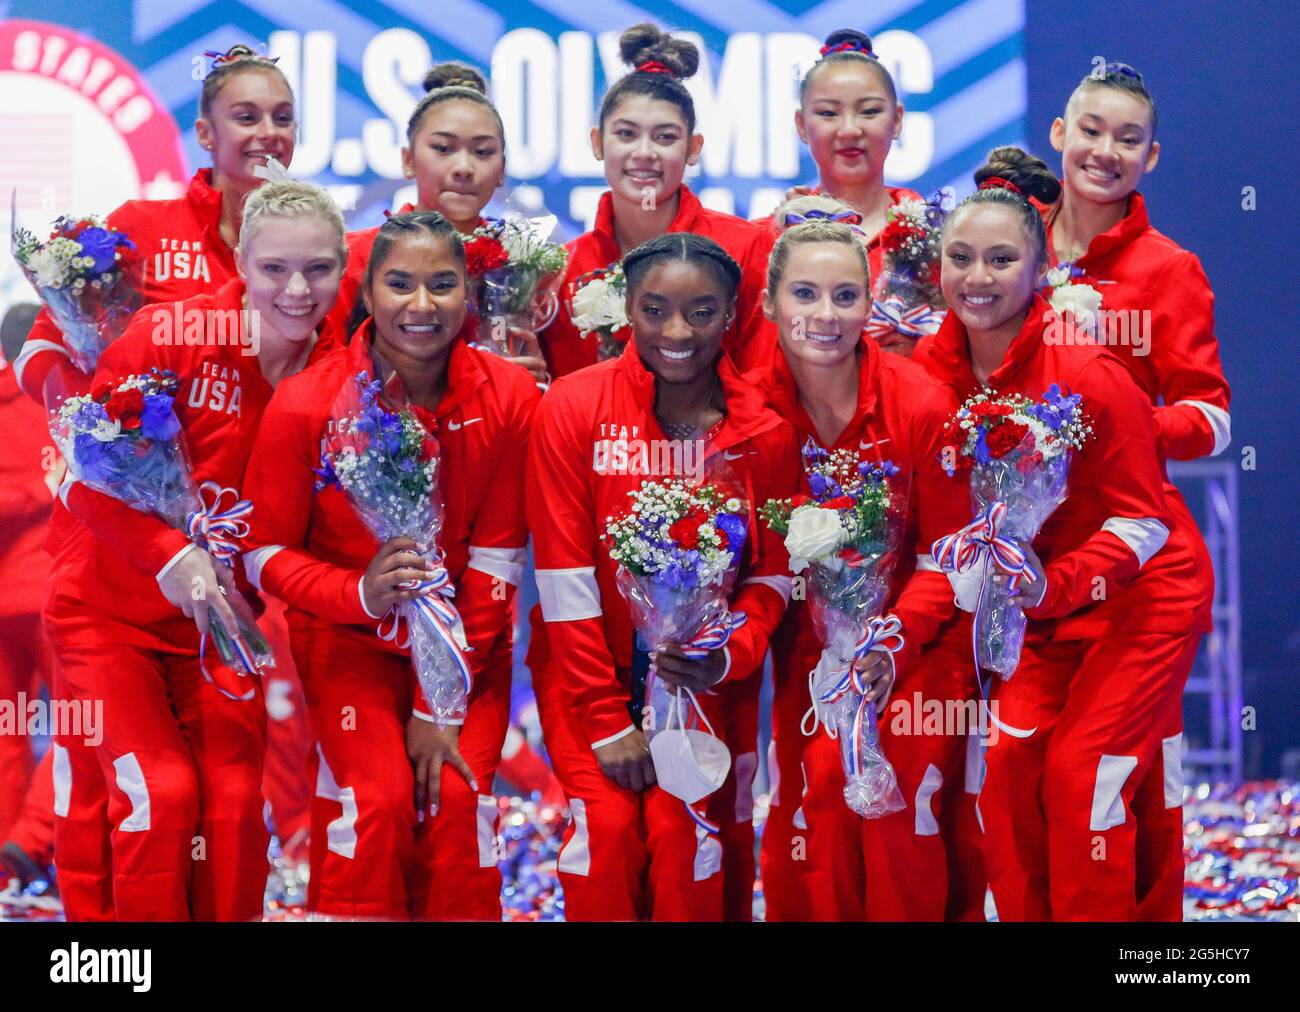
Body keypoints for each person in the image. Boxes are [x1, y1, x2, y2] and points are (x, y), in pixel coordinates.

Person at [10, 43, 303, 922]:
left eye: (283, 116)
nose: (267, 133)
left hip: (231, 574)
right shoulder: (143, 223)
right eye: (246, 117)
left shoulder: (305, 246)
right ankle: (105, 964)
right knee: (120, 793)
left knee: (223, 804)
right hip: (114, 554)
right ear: (204, 131)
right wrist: (103, 439)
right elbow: (44, 351)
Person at [49, 179, 347, 921]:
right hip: (106, 620)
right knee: (162, 792)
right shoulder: (168, 337)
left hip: (221, 637)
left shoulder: (344, 369)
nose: (297, 289)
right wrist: (164, 553)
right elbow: (75, 481)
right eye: (275, 268)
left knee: (237, 810)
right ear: (241, 261)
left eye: (319, 269)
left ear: (345, 269)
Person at [240, 211, 537, 920]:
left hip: (471, 652)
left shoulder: (509, 397)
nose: (421, 304)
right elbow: (260, 553)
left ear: (470, 294)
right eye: (399, 284)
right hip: (347, 645)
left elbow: (500, 557)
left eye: (442, 284)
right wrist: (360, 593)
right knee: (374, 804)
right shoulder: (309, 400)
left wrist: (441, 704)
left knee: (462, 810)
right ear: (366, 294)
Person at [913, 148, 1175, 921]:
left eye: (1002, 258)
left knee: (1081, 775)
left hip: (1138, 599)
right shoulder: (931, 373)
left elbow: (1144, 518)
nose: (979, 277)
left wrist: (1051, 584)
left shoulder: (1088, 370)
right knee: (1004, 770)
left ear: (1040, 269)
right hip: (1038, 614)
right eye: (961, 258)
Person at [526, 233, 800, 920]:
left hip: (704, 685)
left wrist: (725, 656)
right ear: (627, 309)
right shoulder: (574, 406)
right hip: (587, 683)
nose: (677, 332)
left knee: (687, 850)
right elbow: (562, 573)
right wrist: (602, 718)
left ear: (734, 314)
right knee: (611, 838)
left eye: (701, 311)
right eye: (655, 309)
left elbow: (771, 578)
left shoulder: (765, 430)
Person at [754, 206, 985, 921]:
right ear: (768, 303)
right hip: (805, 649)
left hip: (919, 649)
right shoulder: (746, 408)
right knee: (815, 799)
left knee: (896, 811)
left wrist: (891, 641)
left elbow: (951, 555)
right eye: (805, 295)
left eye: (845, 296)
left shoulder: (920, 402)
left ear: (870, 301)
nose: (826, 315)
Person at [1039, 64, 1227, 921]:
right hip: (1038, 570)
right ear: (1059, 135)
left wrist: (1126, 426)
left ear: (1152, 157)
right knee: (1036, 770)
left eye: (1127, 140)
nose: (1104, 151)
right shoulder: (1008, 245)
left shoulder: (1167, 268)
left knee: (1112, 774)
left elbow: (1213, 419)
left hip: (1142, 560)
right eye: (1091, 130)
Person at [539, 23, 771, 378]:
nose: (644, 153)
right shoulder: (562, 269)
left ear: (693, 149)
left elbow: (763, 377)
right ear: (598, 142)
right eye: (626, 134)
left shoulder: (745, 247)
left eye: (665, 137)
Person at [325, 62, 549, 387]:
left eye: (483, 152)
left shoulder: (525, 265)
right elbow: (325, 372)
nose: (463, 168)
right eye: (443, 149)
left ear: (502, 170)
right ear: (407, 161)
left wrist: (538, 381)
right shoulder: (354, 257)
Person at [752, 28, 924, 358]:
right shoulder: (765, 239)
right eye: (828, 113)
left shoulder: (941, 238)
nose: (849, 130)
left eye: (869, 111)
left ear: (898, 119)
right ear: (802, 125)